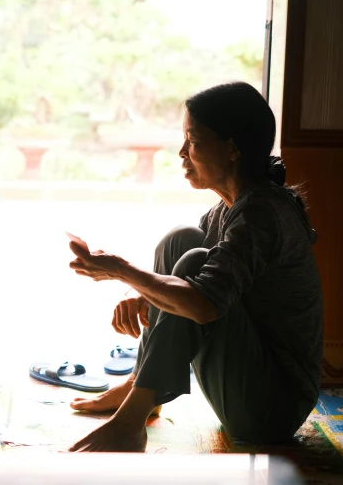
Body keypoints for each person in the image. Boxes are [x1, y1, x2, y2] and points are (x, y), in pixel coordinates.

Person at [66, 82, 323, 452]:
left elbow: (203, 303)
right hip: (251, 384)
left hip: (271, 409)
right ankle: (139, 388)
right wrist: (138, 291)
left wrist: (122, 270)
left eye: (194, 141)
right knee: (181, 241)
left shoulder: (261, 214)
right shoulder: (231, 207)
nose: (182, 153)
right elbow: (179, 274)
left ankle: (130, 421)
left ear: (232, 148)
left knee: (195, 264)